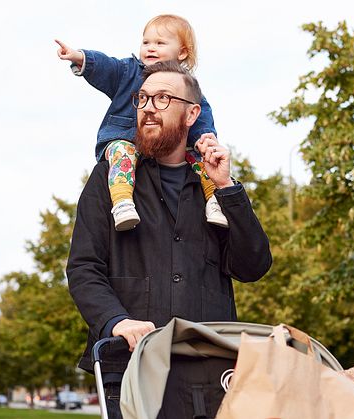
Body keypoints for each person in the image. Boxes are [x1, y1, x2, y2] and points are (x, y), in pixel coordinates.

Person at [67, 61, 272, 419]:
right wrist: (117, 320)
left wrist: (227, 189)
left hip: (211, 371)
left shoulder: (214, 187)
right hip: (131, 369)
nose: (148, 107)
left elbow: (252, 266)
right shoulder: (111, 179)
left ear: (192, 113)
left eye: (163, 98)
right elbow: (84, 267)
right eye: (143, 98)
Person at [55, 14, 229, 231]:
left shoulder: (187, 87)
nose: (150, 48)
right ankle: (122, 202)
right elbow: (106, 66)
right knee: (122, 152)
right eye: (146, 42)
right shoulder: (128, 71)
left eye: (160, 43)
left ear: (182, 52)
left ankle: (214, 198)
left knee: (200, 156)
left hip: (166, 148)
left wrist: (205, 140)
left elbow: (202, 117)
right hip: (123, 140)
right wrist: (81, 57)